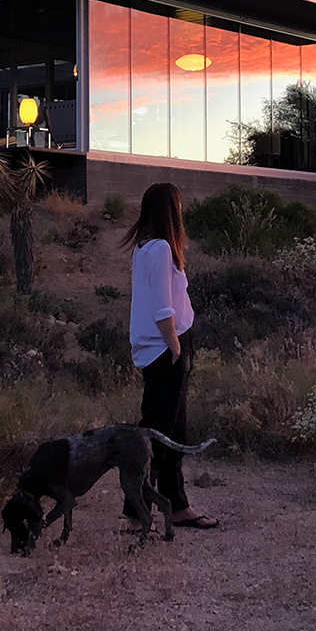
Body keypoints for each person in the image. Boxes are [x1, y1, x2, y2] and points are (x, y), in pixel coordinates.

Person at [119, 182, 219, 531]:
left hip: (159, 348)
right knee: (159, 434)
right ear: (169, 211)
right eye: (178, 205)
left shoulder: (145, 247)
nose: (182, 210)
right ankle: (137, 511)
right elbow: (163, 308)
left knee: (173, 430)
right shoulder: (160, 248)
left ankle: (175, 504)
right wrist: (176, 347)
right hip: (166, 348)